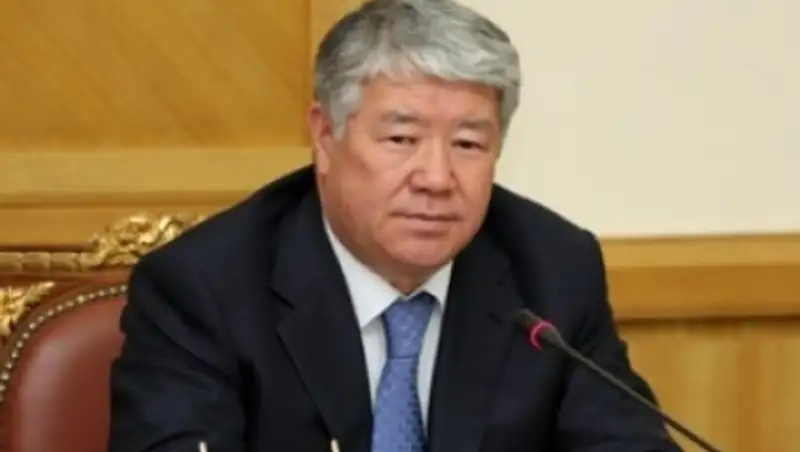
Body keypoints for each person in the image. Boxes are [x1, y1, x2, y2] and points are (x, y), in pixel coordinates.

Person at [108, 0, 680, 451]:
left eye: (468, 144)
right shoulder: (205, 287)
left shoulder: (554, 271)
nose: (436, 177)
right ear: (325, 136)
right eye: (402, 138)